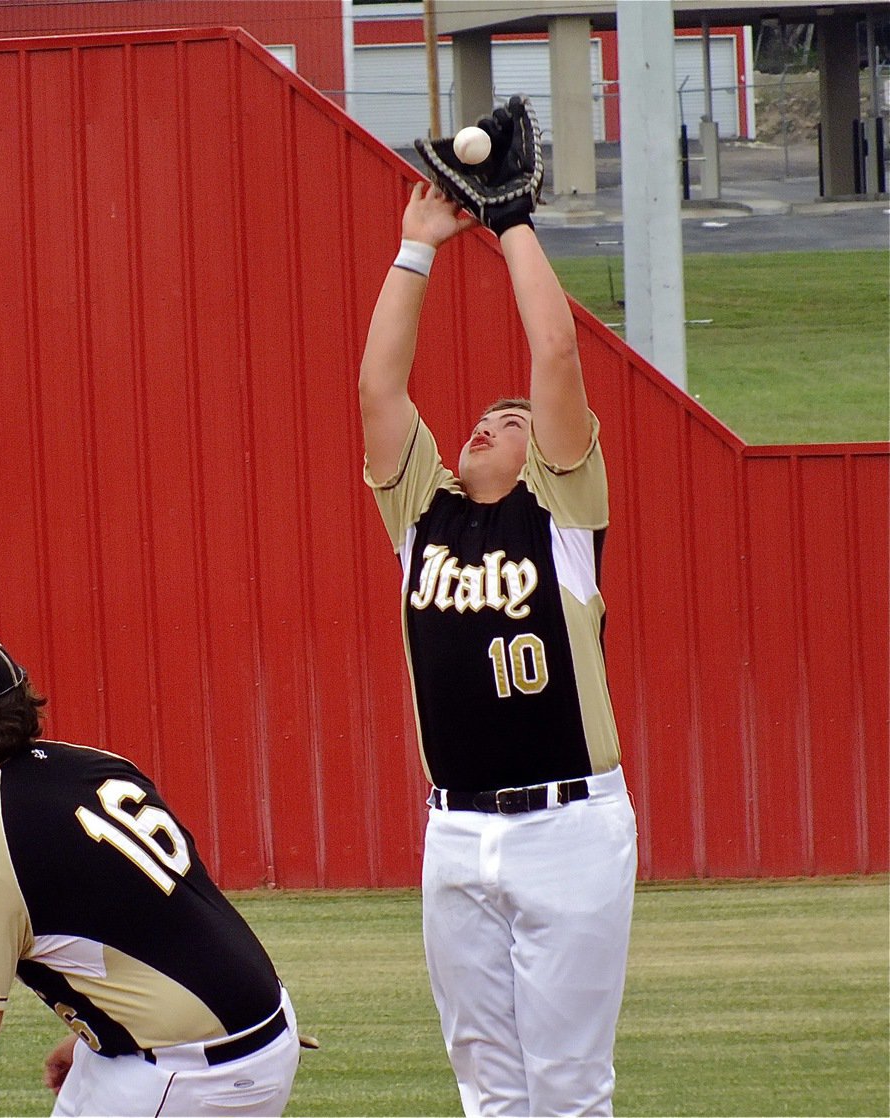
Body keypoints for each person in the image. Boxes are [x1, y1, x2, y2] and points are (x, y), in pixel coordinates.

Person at [358, 170, 638, 1117]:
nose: (491, 420)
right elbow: (378, 385)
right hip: (455, 828)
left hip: (568, 826)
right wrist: (419, 243)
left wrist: (512, 223)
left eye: (511, 420)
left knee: (566, 1089)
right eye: (483, 417)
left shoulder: (562, 520)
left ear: (549, 447)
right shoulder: (420, 515)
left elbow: (555, 350)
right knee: (487, 1091)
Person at [0, 629, 301, 1117]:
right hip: (251, 1024)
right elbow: (151, 918)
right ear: (24, 705)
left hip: (194, 1074)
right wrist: (94, 1031)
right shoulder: (101, 766)